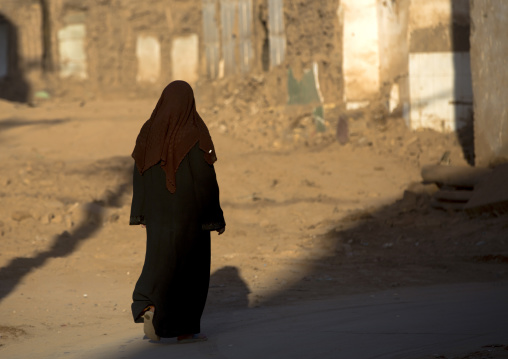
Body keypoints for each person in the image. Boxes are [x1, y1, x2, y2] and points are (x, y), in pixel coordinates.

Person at [129, 80, 226, 343]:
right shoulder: (194, 132)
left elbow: (139, 174)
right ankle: (183, 330)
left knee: (159, 262)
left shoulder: (148, 132)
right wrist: (213, 216)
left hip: (158, 215)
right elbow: (205, 179)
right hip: (189, 216)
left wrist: (141, 213)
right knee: (189, 270)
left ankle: (146, 303)